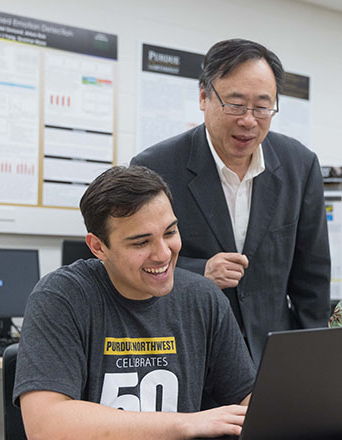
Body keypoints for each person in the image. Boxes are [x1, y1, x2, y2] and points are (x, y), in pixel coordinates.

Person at [13, 166, 255, 440]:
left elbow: (249, 401)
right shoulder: (61, 297)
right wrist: (184, 423)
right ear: (98, 247)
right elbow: (46, 426)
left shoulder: (203, 298)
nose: (164, 253)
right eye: (141, 242)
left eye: (170, 232)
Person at [131, 38, 332, 365]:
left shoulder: (300, 164)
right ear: (203, 97)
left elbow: (312, 275)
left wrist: (313, 357)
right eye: (236, 104)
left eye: (263, 107)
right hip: (190, 352)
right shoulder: (156, 167)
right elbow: (135, 262)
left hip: (274, 355)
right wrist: (200, 273)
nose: (249, 120)